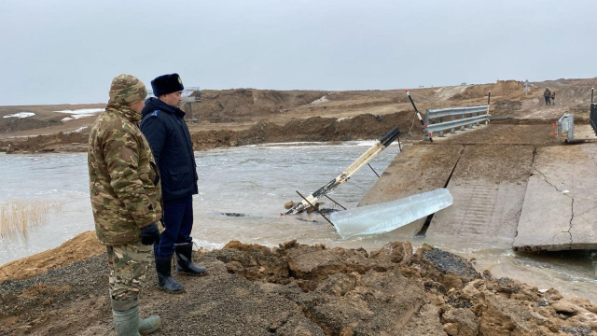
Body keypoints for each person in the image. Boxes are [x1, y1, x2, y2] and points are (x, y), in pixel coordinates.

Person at [88, 74, 163, 335]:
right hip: (126, 219)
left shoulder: (112, 122)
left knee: (125, 274)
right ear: (129, 99)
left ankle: (132, 323)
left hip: (117, 217)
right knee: (127, 278)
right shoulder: (118, 129)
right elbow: (126, 181)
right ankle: (127, 331)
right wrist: (146, 220)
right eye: (140, 98)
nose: (143, 102)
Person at [140, 73, 206, 293]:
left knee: (184, 228)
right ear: (164, 95)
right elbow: (150, 159)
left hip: (184, 186)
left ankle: (185, 263)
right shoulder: (156, 119)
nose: (181, 97)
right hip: (169, 189)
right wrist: (154, 192)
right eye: (177, 93)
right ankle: (164, 276)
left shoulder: (175, 116)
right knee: (167, 233)